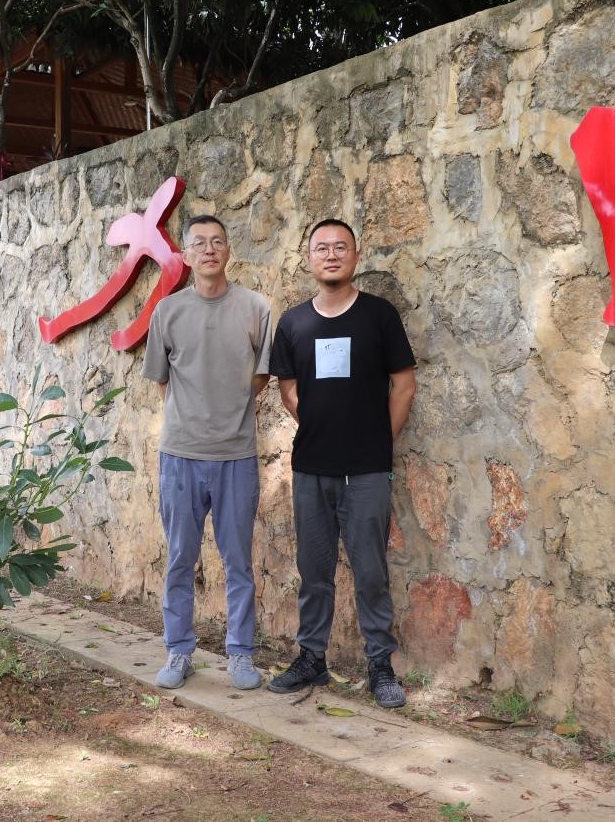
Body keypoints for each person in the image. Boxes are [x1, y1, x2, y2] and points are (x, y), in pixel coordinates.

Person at [266, 218, 417, 708]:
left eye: (340, 247)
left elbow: (404, 384)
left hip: (367, 470)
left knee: (371, 570)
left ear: (355, 256)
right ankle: (312, 657)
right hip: (312, 467)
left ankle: (380, 665)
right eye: (321, 248)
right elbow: (288, 388)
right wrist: (321, 427)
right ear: (309, 258)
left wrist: (377, 439)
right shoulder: (293, 322)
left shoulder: (379, 315)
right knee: (314, 570)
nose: (331, 255)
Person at [142, 214, 273, 691]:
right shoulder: (168, 311)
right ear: (186, 254)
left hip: (236, 456)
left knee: (238, 561)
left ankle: (240, 654)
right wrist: (192, 417)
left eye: (217, 241)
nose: (209, 249)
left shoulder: (255, 308)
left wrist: (227, 411)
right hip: (180, 455)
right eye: (199, 243)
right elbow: (161, 379)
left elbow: (262, 376)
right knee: (180, 557)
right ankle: (178, 651)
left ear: (229, 250)